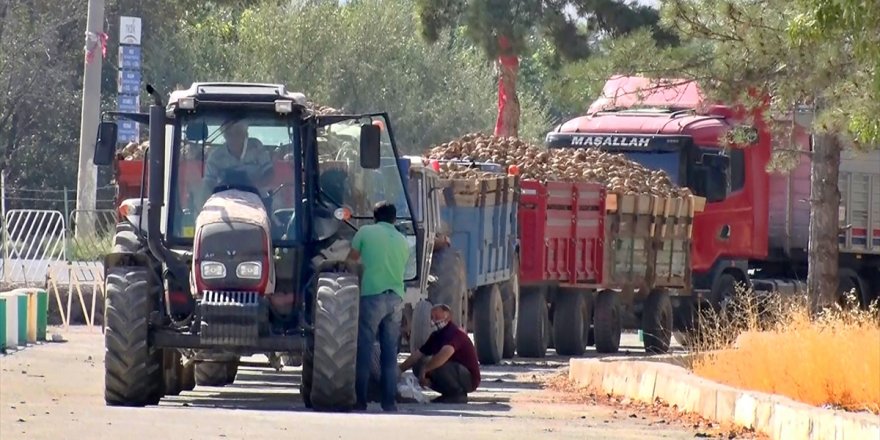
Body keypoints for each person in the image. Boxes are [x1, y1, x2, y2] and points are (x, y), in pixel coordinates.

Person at [347, 201, 410, 412]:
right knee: (390, 354)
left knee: (364, 349)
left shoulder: (365, 232)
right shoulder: (403, 241)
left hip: (371, 295)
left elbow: (351, 261)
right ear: (394, 219)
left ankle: (360, 400)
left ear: (374, 217)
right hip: (395, 299)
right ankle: (389, 402)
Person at [399, 303, 481, 404]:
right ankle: (448, 393)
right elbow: (418, 354)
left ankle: (457, 395)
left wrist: (426, 370)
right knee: (418, 366)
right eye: (432, 317)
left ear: (448, 316)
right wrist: (399, 370)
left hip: (468, 378)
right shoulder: (436, 336)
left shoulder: (455, 333)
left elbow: (445, 354)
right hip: (453, 372)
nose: (433, 320)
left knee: (438, 364)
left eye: (436, 316)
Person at [203, 119, 274, 195]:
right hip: (225, 200)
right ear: (224, 135)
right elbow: (209, 182)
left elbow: (269, 171)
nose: (234, 137)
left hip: (257, 197)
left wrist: (256, 186)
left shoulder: (256, 147)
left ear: (245, 134)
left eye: (238, 132)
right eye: (229, 133)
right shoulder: (216, 156)